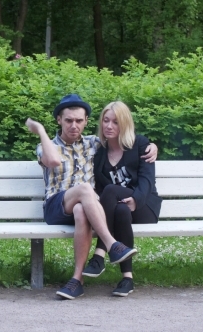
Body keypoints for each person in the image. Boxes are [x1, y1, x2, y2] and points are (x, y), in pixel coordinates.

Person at [25, 94, 157, 300]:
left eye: (79, 120)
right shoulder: (47, 146)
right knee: (86, 189)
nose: (74, 125)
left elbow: (121, 140)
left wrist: (153, 146)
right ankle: (112, 245)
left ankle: (77, 280)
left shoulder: (93, 144)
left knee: (81, 209)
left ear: (86, 121)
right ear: (59, 120)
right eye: (68, 120)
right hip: (56, 205)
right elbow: (51, 160)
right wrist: (41, 130)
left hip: (85, 208)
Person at [82, 101, 162, 297]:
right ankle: (127, 278)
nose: (109, 126)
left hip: (145, 206)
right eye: (106, 121)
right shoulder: (100, 154)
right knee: (120, 209)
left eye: (116, 122)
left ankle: (100, 254)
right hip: (118, 210)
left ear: (125, 124)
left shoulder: (140, 145)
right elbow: (99, 191)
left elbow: (147, 180)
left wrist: (136, 199)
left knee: (111, 190)